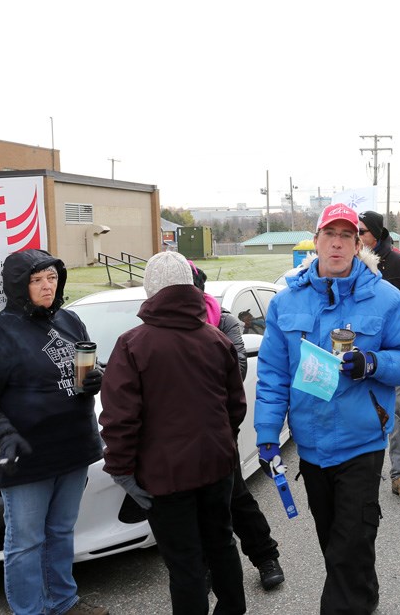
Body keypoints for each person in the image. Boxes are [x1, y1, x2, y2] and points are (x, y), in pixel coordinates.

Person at [255, 203, 400, 614]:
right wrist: (266, 435)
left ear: (358, 242)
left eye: (346, 235)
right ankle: (364, 597)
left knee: (349, 543)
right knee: (337, 543)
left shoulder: (385, 298)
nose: (337, 243)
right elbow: (273, 375)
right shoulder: (285, 302)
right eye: (329, 235)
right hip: (311, 447)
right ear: (316, 242)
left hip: (362, 442)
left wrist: (373, 363)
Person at [0, 249, 108, 615]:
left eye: (52, 278)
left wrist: (96, 378)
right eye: (37, 280)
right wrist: (0, 432)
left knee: (60, 532)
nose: (47, 287)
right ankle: (30, 610)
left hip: (73, 448)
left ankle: (62, 601)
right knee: (25, 543)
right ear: (18, 286)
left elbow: (88, 364)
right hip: (26, 456)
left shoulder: (70, 320)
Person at [100, 251, 246, 615]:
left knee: (185, 563)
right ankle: (232, 608)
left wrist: (120, 469)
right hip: (217, 465)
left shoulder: (133, 344)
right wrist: (225, 444)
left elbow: (120, 417)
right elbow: (235, 405)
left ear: (150, 291)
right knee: (221, 542)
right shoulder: (215, 339)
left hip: (164, 475)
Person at [190, 263, 285, 591]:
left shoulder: (224, 321)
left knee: (236, 499)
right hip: (176, 433)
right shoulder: (154, 326)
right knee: (191, 507)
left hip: (218, 428)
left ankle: (265, 556)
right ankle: (201, 567)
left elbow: (237, 368)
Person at [358, 210, 400, 502]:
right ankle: (356, 475)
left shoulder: (397, 262)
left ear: (376, 233)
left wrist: (390, 308)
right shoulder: (347, 263)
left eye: (361, 231)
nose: (357, 237)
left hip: (386, 354)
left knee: (394, 413)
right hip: (349, 356)